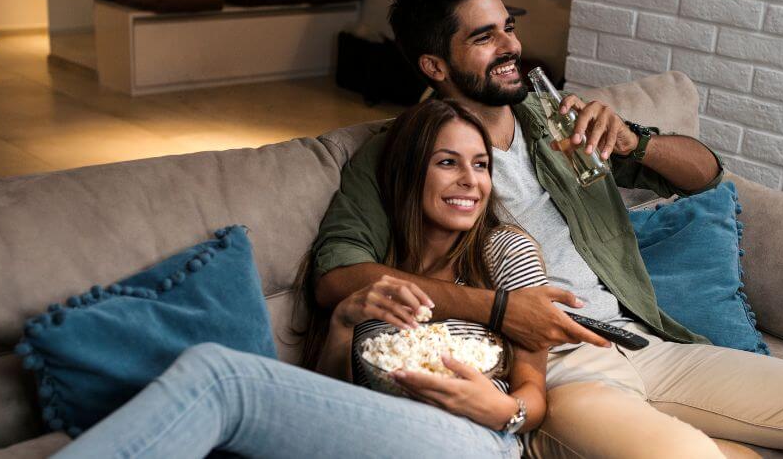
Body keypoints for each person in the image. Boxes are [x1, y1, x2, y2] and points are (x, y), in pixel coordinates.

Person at [311, 0, 783, 458]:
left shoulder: (556, 122)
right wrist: (498, 308)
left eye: (508, 26)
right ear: (435, 67)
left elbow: (708, 176)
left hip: (644, 341)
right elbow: (336, 276)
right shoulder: (404, 152)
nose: (511, 46)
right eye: (483, 36)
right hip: (558, 370)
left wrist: (635, 141)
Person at [56, 99, 553, 458]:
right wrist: (342, 323)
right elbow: (333, 395)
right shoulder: (373, 266)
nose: (472, 180)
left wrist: (501, 410)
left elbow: (534, 393)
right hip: (377, 434)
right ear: (407, 173)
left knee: (220, 375)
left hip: (473, 439)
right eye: (448, 162)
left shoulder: (506, 252)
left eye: (482, 165)